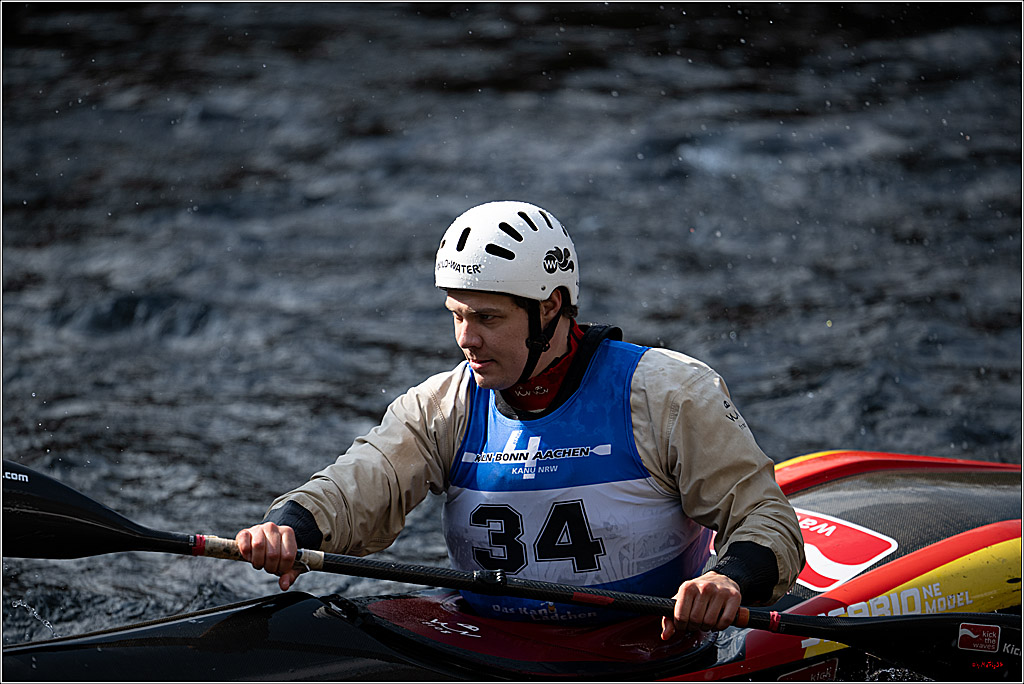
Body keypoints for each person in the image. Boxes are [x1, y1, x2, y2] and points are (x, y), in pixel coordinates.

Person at [235, 200, 805, 640]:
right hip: (494, 646)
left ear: (550, 306)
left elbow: (764, 517)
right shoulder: (444, 406)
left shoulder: (668, 393)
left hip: (648, 646)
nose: (466, 339)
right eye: (456, 315)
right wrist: (290, 526)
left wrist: (726, 580)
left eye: (486, 317)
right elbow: (360, 483)